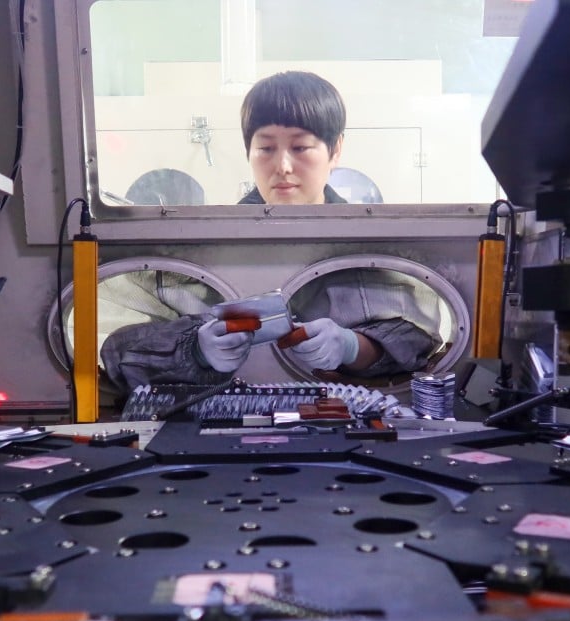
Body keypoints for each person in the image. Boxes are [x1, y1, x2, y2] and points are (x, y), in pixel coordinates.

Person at [100, 71, 440, 395]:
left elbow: (420, 340)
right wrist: (195, 350)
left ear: (335, 150)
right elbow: (118, 350)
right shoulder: (197, 252)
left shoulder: (372, 249)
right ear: (248, 152)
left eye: (300, 147)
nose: (283, 167)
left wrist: (354, 348)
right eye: (266, 148)